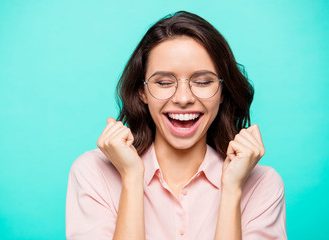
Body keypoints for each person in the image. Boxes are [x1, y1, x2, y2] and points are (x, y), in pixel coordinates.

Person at [65, 11, 287, 240]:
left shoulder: (262, 185)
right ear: (142, 92)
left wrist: (232, 191)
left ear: (223, 91)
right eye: (163, 82)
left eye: (202, 82)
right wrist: (132, 177)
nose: (183, 98)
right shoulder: (93, 173)